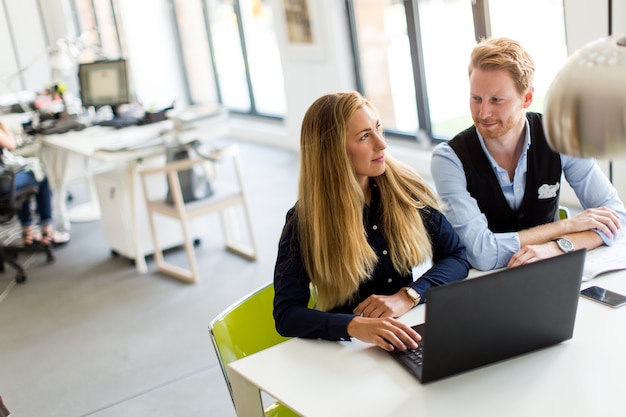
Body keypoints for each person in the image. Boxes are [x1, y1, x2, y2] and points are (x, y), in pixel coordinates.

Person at [273, 92, 470, 353]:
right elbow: (287, 315)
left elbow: (456, 255)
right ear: (333, 152)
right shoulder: (305, 221)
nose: (381, 144)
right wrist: (353, 325)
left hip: (408, 333)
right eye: (365, 136)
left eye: (378, 128)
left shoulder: (404, 189)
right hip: (348, 352)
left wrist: (409, 295)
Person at [430, 37, 626, 271]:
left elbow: (616, 217)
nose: (483, 112)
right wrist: (565, 227)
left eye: (496, 100)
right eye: (476, 98)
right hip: (480, 284)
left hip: (546, 274)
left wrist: (557, 247)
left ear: (527, 98)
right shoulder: (448, 159)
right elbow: (481, 253)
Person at [0, 121, 69, 246]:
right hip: (2, 187)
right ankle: (47, 231)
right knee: (39, 177)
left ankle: (28, 233)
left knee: (24, 178)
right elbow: (11, 144)